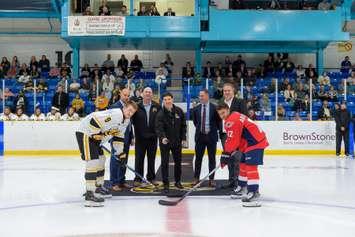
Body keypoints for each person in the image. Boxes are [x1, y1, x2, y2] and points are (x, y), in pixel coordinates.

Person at [76, 101, 138, 207]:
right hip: (86, 133)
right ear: (124, 108)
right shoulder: (116, 114)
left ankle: (98, 187)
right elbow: (94, 119)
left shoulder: (126, 121)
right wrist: (97, 133)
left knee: (101, 159)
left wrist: (120, 153)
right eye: (129, 110)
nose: (130, 113)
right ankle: (90, 194)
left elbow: (118, 137)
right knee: (93, 161)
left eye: (133, 112)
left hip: (96, 138)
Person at [217, 103, 269, 207]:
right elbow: (237, 137)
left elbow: (232, 140)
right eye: (220, 114)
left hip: (255, 142)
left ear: (228, 110)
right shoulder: (234, 115)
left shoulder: (232, 120)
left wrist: (226, 154)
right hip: (249, 143)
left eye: (223, 113)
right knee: (243, 164)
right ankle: (242, 188)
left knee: (251, 167)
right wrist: (228, 153)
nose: (222, 116)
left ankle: (254, 192)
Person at [155, 92, 187, 192]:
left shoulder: (179, 111)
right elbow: (159, 128)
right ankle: (166, 184)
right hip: (165, 143)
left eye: (169, 99)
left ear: (172, 99)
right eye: (165, 100)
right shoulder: (160, 113)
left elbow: (183, 126)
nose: (167, 101)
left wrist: (184, 138)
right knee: (164, 163)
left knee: (178, 162)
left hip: (177, 142)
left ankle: (178, 181)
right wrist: (163, 137)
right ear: (162, 101)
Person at [219, 82, 247, 189]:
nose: (226, 92)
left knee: (237, 159)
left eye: (228, 90)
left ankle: (239, 183)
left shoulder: (240, 102)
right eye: (225, 91)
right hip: (225, 135)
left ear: (233, 91)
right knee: (229, 159)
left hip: (237, 136)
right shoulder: (221, 102)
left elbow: (244, 117)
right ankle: (232, 181)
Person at [131, 87, 161, 186]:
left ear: (152, 94)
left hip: (153, 138)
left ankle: (151, 178)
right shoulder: (136, 106)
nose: (148, 93)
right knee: (139, 159)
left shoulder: (157, 106)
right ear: (142, 94)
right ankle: (138, 179)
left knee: (151, 159)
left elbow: (159, 122)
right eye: (146, 92)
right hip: (140, 138)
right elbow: (131, 122)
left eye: (150, 92)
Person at [191, 89, 221, 187]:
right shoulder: (196, 109)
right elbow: (196, 123)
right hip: (200, 137)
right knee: (198, 159)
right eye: (200, 96)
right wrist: (202, 130)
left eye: (202, 95)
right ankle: (196, 178)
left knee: (212, 159)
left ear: (207, 96)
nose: (200, 97)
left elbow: (218, 122)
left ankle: (211, 179)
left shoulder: (215, 108)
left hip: (211, 137)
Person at [109, 88, 134, 191]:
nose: (127, 97)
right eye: (125, 95)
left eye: (128, 95)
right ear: (120, 94)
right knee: (115, 160)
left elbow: (129, 123)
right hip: (116, 139)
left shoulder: (129, 107)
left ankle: (121, 181)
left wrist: (131, 136)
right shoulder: (114, 107)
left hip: (127, 138)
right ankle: (114, 182)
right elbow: (110, 125)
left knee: (124, 160)